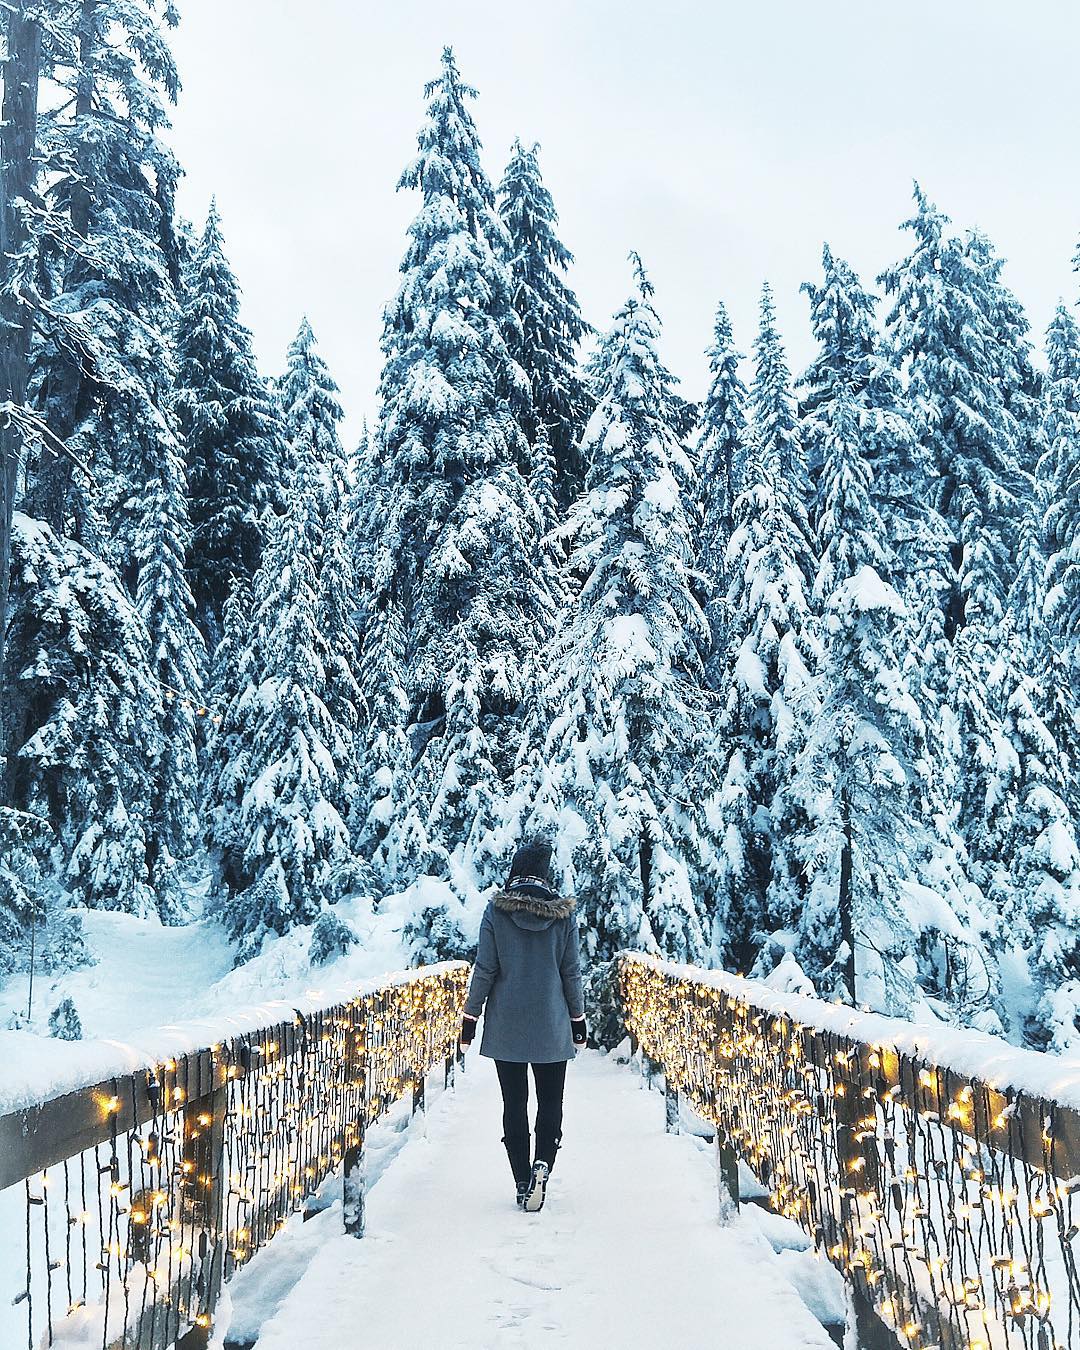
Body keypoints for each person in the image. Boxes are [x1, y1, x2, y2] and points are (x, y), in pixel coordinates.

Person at [459, 838, 586, 1213]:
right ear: (546, 875)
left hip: (507, 1025)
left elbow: (485, 969)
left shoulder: (496, 913)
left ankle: (520, 1181)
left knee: (513, 1103)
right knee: (551, 1102)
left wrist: (470, 1019)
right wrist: (577, 1021)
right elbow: (572, 973)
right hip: (551, 1023)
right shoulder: (563, 916)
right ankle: (542, 1164)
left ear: (514, 872)